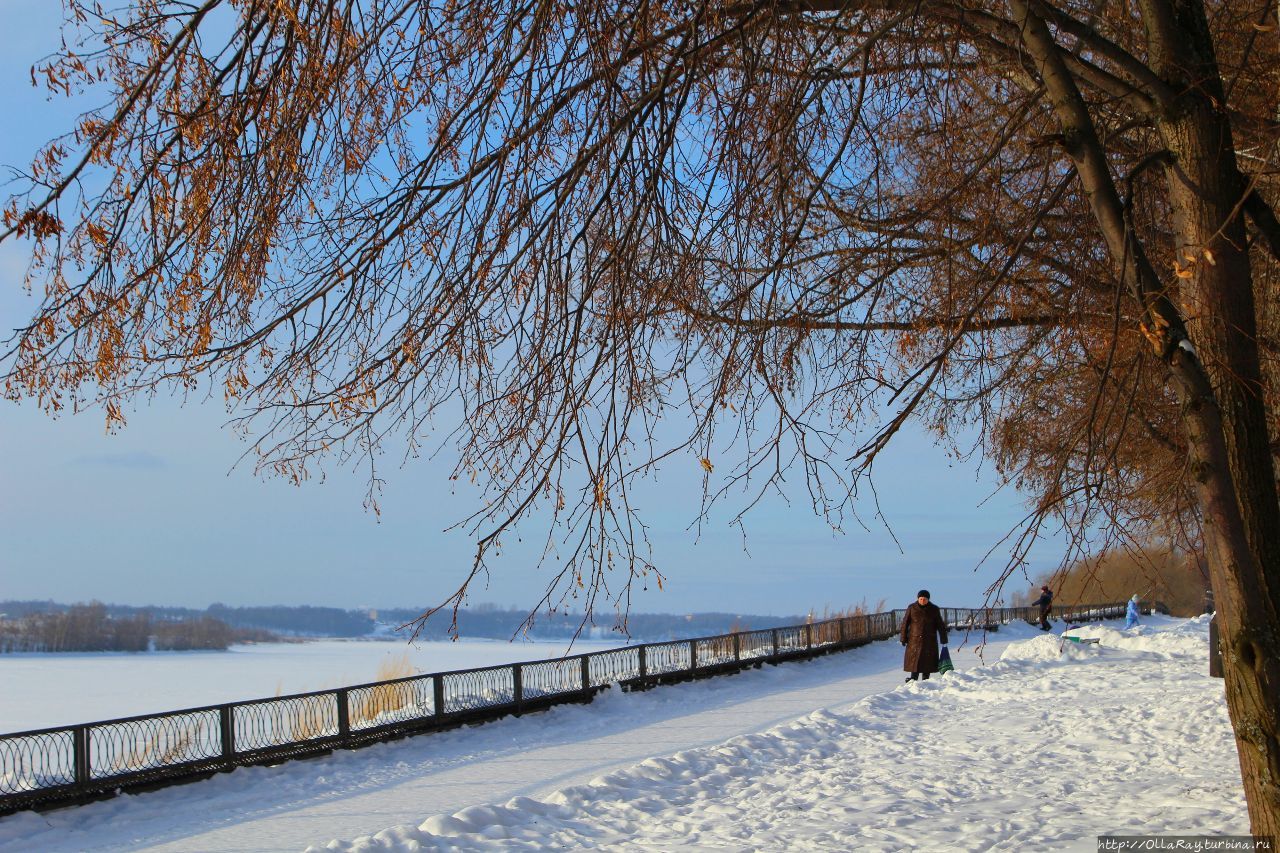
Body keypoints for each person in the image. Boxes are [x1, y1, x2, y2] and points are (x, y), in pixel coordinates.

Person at [901, 589, 948, 682]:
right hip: (914, 640)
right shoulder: (912, 608)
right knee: (915, 662)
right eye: (921, 599)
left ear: (928, 600)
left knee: (927, 662)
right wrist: (903, 637)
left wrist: (944, 638)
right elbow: (905, 623)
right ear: (918, 599)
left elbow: (940, 625)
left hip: (929, 640)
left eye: (925, 599)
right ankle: (913, 679)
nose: (923, 601)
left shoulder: (934, 609)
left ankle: (926, 681)